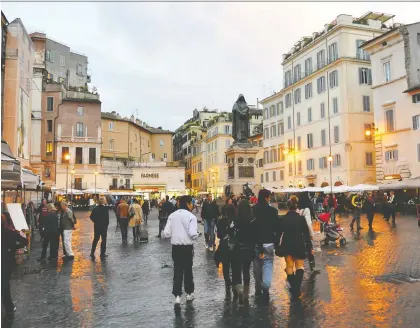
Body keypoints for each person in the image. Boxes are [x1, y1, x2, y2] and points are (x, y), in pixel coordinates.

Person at [163, 195, 198, 306]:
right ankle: (189, 293)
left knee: (177, 270)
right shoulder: (191, 216)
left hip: (176, 248)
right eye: (191, 203)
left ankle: (177, 295)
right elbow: (192, 234)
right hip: (187, 247)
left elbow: (166, 233)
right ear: (188, 203)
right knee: (188, 270)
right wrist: (197, 235)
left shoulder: (172, 216)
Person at [278, 196, 311, 301]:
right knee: (300, 266)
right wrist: (309, 246)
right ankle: (296, 289)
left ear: (287, 206)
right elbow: (306, 234)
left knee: (289, 266)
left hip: (287, 244)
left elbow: (279, 234)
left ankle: (294, 288)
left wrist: (276, 245)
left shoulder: (282, 219)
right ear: (296, 206)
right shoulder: (301, 219)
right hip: (299, 244)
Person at [253, 188, 278, 303]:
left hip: (256, 242)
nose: (270, 199)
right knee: (267, 264)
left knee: (257, 265)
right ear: (266, 198)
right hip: (268, 242)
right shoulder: (273, 211)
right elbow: (276, 228)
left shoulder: (253, 209)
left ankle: (258, 288)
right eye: (269, 197)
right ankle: (266, 286)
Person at [2, 214, 28, 318]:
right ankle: (8, 307)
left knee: (4, 284)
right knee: (4, 284)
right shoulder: (9, 233)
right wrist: (14, 245)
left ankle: (9, 307)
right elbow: (24, 242)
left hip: (5, 263)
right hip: (6, 263)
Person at [231, 199, 255, 305]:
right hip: (249, 247)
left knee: (237, 270)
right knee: (246, 270)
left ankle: (239, 289)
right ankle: (246, 292)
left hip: (238, 248)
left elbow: (233, 233)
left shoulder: (236, 219)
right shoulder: (252, 219)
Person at [216, 203, 236, 299]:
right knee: (235, 265)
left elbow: (219, 234)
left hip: (224, 247)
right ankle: (235, 282)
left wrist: (224, 236)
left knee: (225, 266)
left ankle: (227, 282)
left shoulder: (221, 221)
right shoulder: (236, 221)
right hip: (235, 247)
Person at [297, 194, 317, 273]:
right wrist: (311, 234)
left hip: (298, 232)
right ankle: (312, 267)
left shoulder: (297, 208)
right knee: (310, 249)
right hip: (305, 233)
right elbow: (308, 223)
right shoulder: (307, 209)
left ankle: (297, 268)